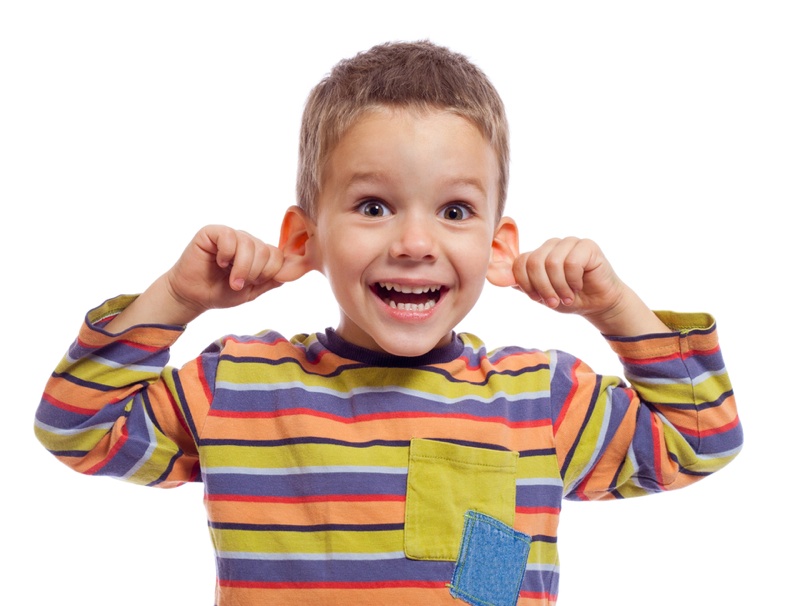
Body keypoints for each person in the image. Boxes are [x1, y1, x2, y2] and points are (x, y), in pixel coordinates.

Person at [35, 40, 742, 606]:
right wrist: (177, 300)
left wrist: (614, 307)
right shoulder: (238, 386)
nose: (413, 242)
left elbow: (700, 442)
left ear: (498, 245)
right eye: (373, 206)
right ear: (304, 239)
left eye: (455, 211)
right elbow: (75, 428)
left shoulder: (538, 398)